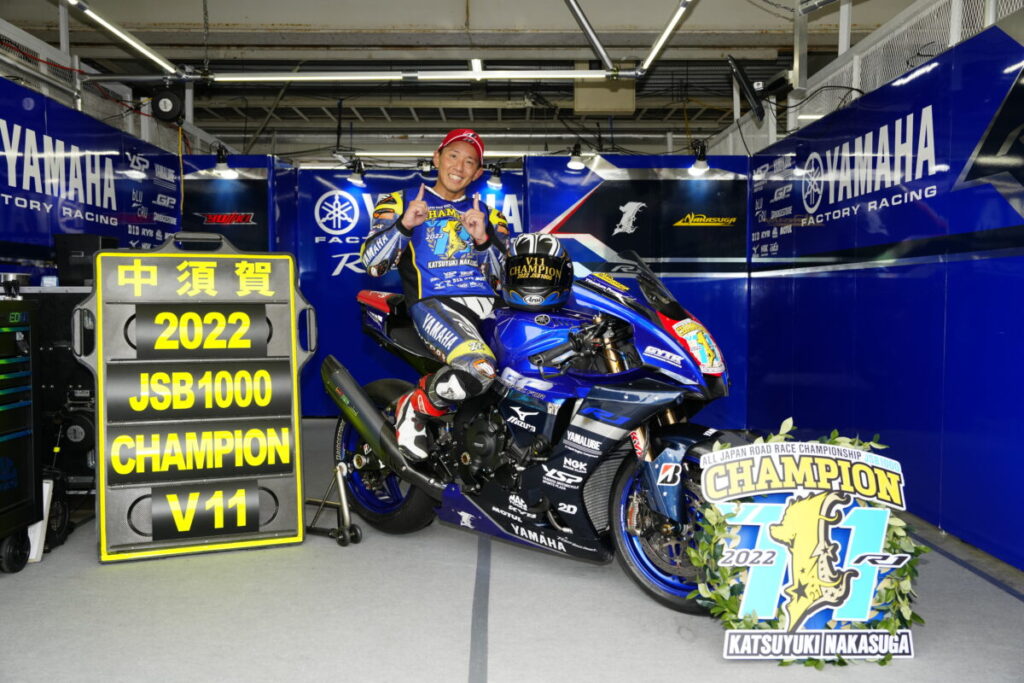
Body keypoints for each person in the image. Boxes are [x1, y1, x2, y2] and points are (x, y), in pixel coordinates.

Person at [360, 129, 509, 462]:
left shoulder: (490, 215)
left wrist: (483, 239)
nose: (459, 166)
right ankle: (415, 406)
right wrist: (404, 225)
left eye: (470, 161)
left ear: (478, 173)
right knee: (479, 369)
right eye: (453, 156)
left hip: (490, 307)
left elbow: (506, 279)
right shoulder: (399, 201)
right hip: (435, 304)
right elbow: (373, 264)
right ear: (437, 158)